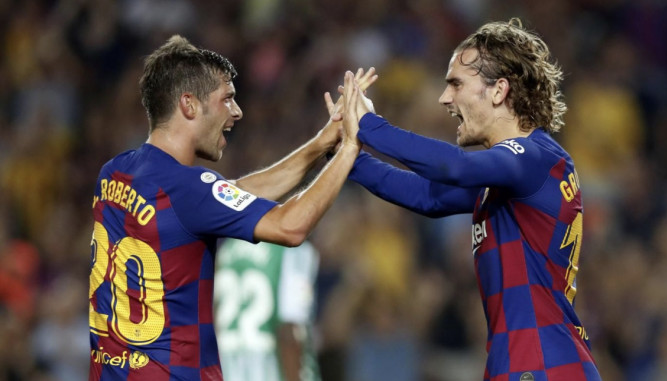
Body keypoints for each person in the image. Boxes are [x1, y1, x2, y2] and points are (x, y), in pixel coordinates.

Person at [87, 35, 371, 380]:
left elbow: (230, 196)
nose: (237, 111)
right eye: (228, 99)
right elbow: (290, 226)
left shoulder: (115, 172)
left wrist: (322, 142)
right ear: (189, 105)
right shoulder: (188, 189)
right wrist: (350, 148)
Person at [341, 19, 602, 380]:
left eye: (456, 84)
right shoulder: (504, 177)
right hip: (521, 361)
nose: (445, 98)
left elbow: (453, 167)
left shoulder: (537, 157)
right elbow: (425, 196)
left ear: (498, 91)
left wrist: (369, 125)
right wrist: (343, 154)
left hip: (541, 363)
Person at [214, 239, 321, 381]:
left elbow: (213, 317)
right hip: (272, 370)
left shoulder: (227, 248)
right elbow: (290, 330)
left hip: (228, 370)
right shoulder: (293, 248)